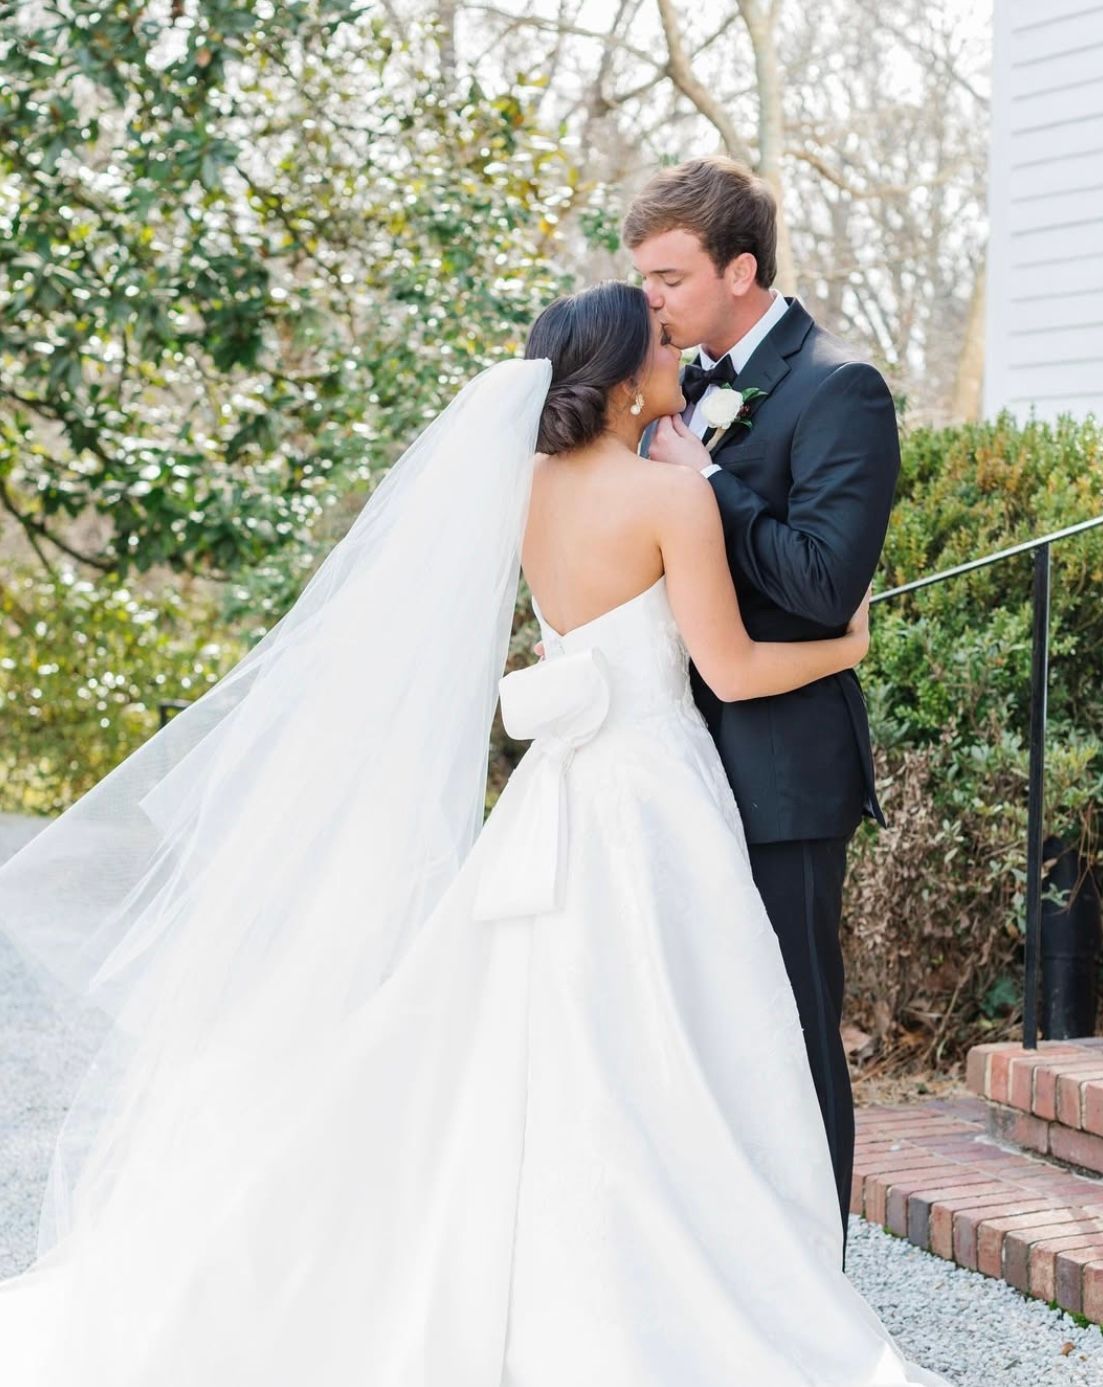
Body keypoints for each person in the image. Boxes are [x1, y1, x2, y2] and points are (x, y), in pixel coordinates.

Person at [0, 282, 950, 1384]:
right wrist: (849, 645)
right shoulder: (669, 500)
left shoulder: (528, 488)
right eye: (657, 346)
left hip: (553, 797)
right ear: (613, 380)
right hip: (652, 798)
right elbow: (729, 668)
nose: (674, 354)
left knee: (523, 1030)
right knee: (680, 1043)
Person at [628, 156, 902, 1263]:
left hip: (784, 771)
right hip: (670, 757)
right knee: (695, 1029)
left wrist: (710, 483)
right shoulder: (672, 383)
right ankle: (726, 1270)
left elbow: (825, 582)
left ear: (741, 270)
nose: (648, 299)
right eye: (640, 275)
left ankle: (815, 1279)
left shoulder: (842, 387)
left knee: (791, 1033)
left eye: (668, 277)